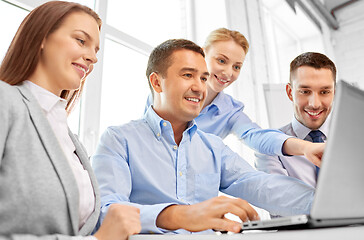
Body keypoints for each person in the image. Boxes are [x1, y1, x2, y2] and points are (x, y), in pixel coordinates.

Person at [92, 39, 315, 234]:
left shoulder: (213, 147)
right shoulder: (119, 139)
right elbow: (106, 212)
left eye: (203, 78)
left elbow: (261, 184)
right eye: (188, 75)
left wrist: (323, 201)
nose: (200, 87)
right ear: (157, 82)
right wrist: (178, 216)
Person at [0, 1, 140, 240]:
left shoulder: (69, 138)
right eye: (81, 40)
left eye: (96, 50)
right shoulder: (5, 100)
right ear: (42, 37)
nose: (93, 58)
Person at [145, 28, 324, 167]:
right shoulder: (165, 92)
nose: (228, 73)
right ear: (202, 54)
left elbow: (256, 135)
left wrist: (304, 147)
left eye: (237, 67)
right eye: (221, 61)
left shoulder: (230, 111)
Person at [255, 52, 336, 188]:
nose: (315, 104)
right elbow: (280, 203)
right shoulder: (269, 148)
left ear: (334, 92)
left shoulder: (354, 140)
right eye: (305, 91)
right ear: (289, 92)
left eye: (324, 92)